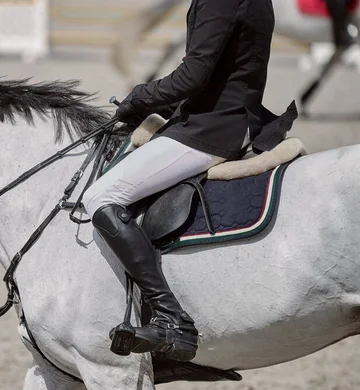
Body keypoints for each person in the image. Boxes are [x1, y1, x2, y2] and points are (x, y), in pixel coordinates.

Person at [82, 0, 296, 362]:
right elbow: (223, 72)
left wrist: (139, 96)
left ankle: (171, 320)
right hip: (223, 116)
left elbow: (193, 75)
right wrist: (160, 107)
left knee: (101, 196)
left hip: (213, 129)